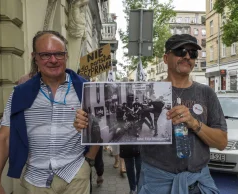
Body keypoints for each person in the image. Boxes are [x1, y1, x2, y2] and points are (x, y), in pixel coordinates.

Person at [74, 34, 228, 194]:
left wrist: (194, 123)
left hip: (197, 184)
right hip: (156, 183)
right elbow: (112, 120)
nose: (187, 56)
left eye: (192, 53)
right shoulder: (148, 93)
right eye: (181, 51)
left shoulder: (206, 93)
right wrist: (86, 124)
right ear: (166, 58)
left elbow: (222, 142)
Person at [0, 30, 99, 194]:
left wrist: (89, 159)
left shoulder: (87, 89)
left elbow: (103, 128)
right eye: (45, 55)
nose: (53, 60)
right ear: (35, 57)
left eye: (58, 54)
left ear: (66, 56)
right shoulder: (19, 93)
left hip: (75, 175)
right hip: (36, 180)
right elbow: (4, 137)